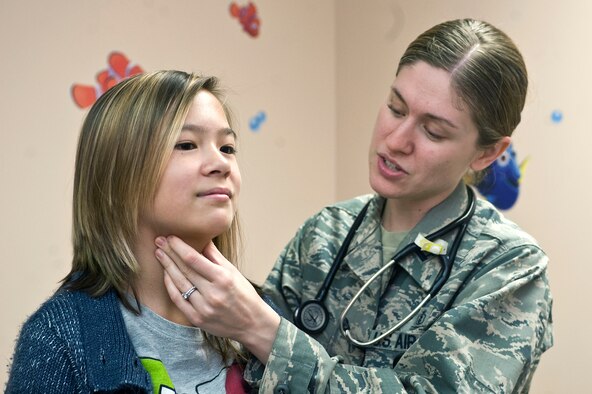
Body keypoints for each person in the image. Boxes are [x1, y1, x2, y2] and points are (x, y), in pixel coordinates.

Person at [154, 19, 554, 393]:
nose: (396, 140)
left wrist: (263, 331)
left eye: (433, 131)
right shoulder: (327, 233)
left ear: (487, 153)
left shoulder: (509, 267)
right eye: (396, 108)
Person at [6, 70, 253, 393]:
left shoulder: (266, 322)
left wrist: (265, 333)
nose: (220, 163)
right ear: (118, 176)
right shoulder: (59, 338)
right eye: (187, 144)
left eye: (228, 147)